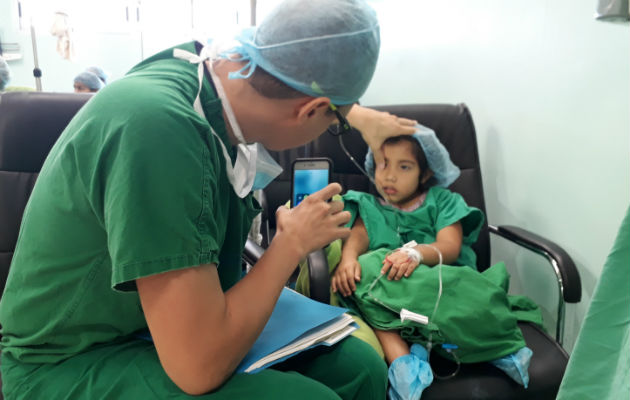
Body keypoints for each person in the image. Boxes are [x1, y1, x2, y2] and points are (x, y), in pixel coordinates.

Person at [0, 0, 417, 399]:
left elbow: (291, 64)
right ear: (312, 110)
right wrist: (291, 244)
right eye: (336, 123)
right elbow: (197, 369)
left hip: (152, 321)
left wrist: (356, 115)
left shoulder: (212, 71)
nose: (334, 127)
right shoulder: (161, 133)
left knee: (362, 368)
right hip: (66, 359)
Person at [331, 127, 536, 399]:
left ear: (425, 173)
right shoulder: (368, 204)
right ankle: (404, 364)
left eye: (404, 167)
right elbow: (358, 235)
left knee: (473, 291)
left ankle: (492, 347)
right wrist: (347, 260)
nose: (389, 175)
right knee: (366, 273)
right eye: (382, 164)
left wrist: (415, 255)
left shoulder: (443, 202)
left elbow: (450, 247)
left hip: (441, 284)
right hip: (393, 293)